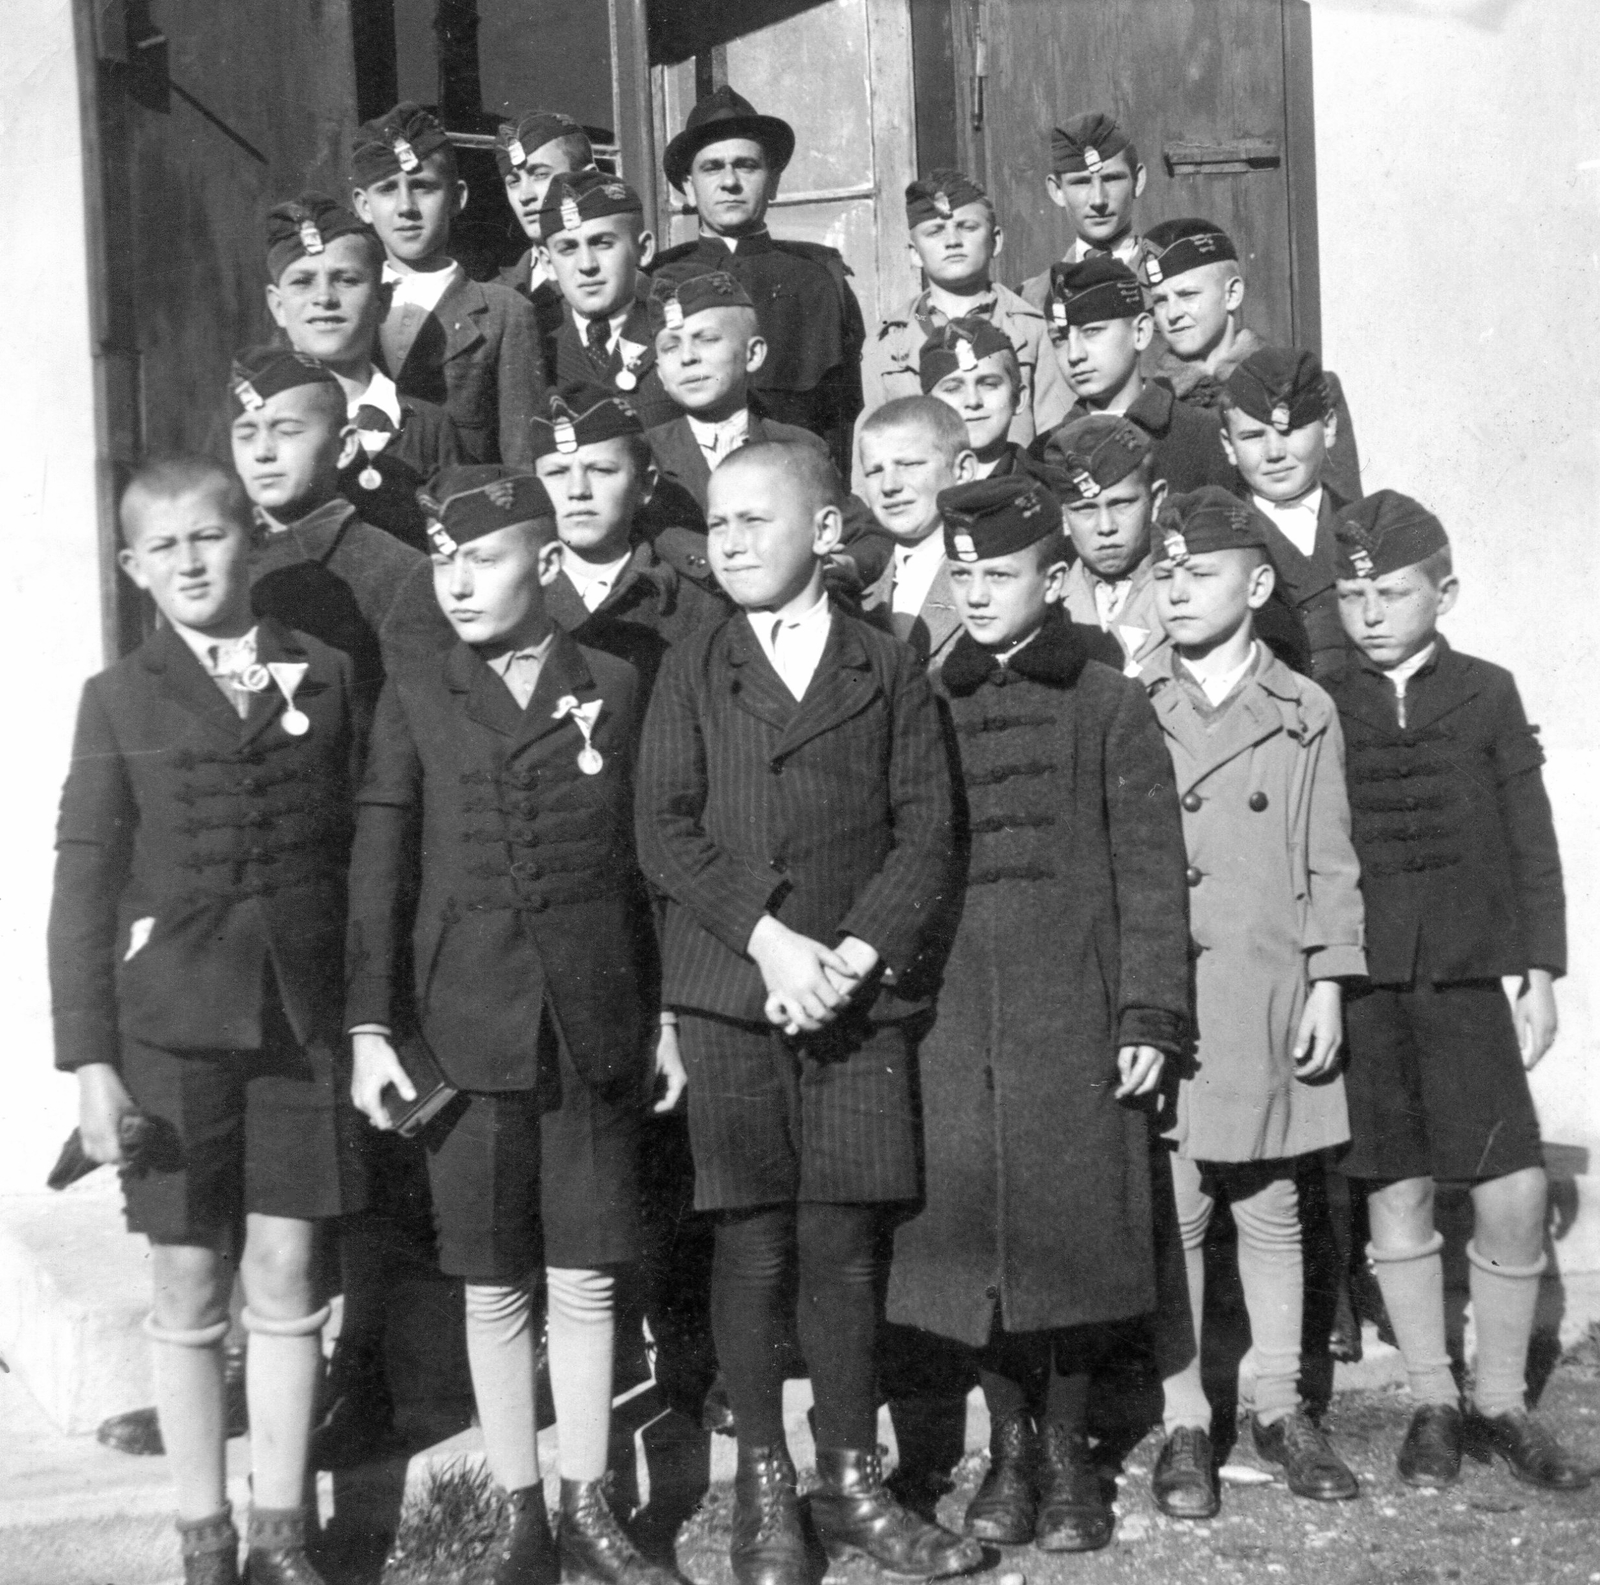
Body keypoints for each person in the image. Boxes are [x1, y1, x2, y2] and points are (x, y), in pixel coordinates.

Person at [634, 441, 980, 1585]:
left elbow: (925, 830)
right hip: (736, 991)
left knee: (841, 1241)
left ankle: (851, 1480)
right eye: (717, 524)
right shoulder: (692, 664)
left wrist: (853, 953)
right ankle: (764, 1494)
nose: (728, 541)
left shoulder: (886, 665)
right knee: (752, 1240)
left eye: (755, 520)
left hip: (854, 1000)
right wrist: (773, 940)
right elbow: (667, 830)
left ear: (827, 534)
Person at [346, 465, 684, 1585]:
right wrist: (368, 1027)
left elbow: (653, 872)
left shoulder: (618, 682)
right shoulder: (419, 690)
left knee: (587, 1275)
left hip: (594, 1023)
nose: (456, 580)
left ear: (545, 566)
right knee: (493, 1282)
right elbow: (381, 867)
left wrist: (671, 1012)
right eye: (442, 557)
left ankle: (592, 1502)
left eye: (481, 557)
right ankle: (519, 1511)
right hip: (467, 1025)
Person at [50, 456, 364, 1585]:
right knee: (187, 1278)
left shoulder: (323, 673)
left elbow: (358, 855)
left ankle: (283, 1529)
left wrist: (366, 1019)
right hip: (170, 1034)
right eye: (165, 547)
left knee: (286, 1270)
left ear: (252, 546)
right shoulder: (118, 696)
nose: (192, 561)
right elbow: (81, 885)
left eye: (211, 538)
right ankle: (203, 1534)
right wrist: (89, 1061)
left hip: (298, 1024)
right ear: (136, 568)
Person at [887, 475, 1190, 1553]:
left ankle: (1067, 1455)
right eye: (959, 572)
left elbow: (1151, 868)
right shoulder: (927, 695)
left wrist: (1147, 1010)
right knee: (978, 1243)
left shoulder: (1108, 702)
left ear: (1054, 580)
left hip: (1075, 1001)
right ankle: (1007, 1444)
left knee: (1066, 1236)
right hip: (958, 1017)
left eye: (999, 574)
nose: (974, 592)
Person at [1326, 492, 1590, 1493]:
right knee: (1394, 1182)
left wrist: (1539, 969)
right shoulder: (1319, 693)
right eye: (1352, 594)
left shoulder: (1485, 693)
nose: (1371, 612)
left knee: (1511, 1181)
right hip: (1367, 976)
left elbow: (1531, 838)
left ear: (1444, 592)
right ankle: (1431, 1396)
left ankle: (1500, 1400)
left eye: (1391, 591)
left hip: (1471, 971)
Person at [1144, 487, 1365, 1518]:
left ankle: (1278, 1405)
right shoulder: (1133, 699)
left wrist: (1328, 978)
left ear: (1259, 583)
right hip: (1170, 991)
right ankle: (1184, 1416)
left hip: (1270, 977)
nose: (1177, 588)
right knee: (1179, 1203)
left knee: (1271, 1200)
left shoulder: (1301, 708)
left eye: (1200, 572)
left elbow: (1329, 857)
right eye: (1166, 572)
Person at [652, 86, 866, 476]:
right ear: (687, 185)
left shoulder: (817, 281)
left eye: (746, 166)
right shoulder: (658, 279)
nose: (729, 181)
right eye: (712, 167)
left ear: (773, 181)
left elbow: (841, 417)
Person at [229, 345, 448, 715]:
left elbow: (406, 735)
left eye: (287, 431)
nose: (263, 452)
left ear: (345, 447)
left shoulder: (398, 574)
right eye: (246, 434)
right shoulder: (219, 566)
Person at [264, 192, 462, 553]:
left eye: (346, 280)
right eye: (303, 282)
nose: (324, 298)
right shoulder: (254, 426)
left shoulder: (425, 427)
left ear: (382, 300)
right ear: (278, 305)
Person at [349, 102, 543, 467]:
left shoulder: (503, 312)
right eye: (387, 190)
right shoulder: (345, 304)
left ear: (457, 198)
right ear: (362, 205)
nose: (406, 207)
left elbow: (523, 458)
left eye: (423, 187)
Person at [1138, 220, 1361, 501]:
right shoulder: (1151, 409)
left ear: (1232, 295)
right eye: (1160, 300)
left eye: (1187, 295)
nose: (1172, 314)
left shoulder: (1306, 389)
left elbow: (1344, 512)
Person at [859, 170, 1068, 456]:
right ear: (914, 253)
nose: (952, 241)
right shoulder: (889, 341)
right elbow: (870, 449)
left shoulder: (1031, 329)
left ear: (995, 240)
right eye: (934, 231)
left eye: (967, 227)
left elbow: (1056, 438)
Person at [1040, 257, 1237, 493]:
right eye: (1060, 339)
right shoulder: (1045, 453)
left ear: (1141, 332)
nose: (1074, 355)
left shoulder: (1203, 436)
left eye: (1091, 331)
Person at [1220, 347, 1353, 683]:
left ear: (1329, 428)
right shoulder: (1220, 542)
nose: (1274, 453)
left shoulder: (1363, 526)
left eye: (1289, 430)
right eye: (1252, 436)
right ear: (1227, 445)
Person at [537, 169, 678, 431]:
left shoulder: (677, 333)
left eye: (602, 243)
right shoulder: (540, 350)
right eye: (568, 248)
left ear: (644, 250)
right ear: (547, 262)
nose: (586, 265)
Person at [857, 397, 979, 670]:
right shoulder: (863, 597)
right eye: (875, 471)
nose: (889, 486)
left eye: (909, 465)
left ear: (962, 470)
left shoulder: (988, 578)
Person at [1018, 113, 1147, 308]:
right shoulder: (1034, 299)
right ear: (1057, 191)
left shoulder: (1175, 282)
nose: (1098, 200)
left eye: (1112, 179)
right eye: (1081, 182)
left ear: (1137, 181)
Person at [917, 318, 1052, 482]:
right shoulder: (912, 493)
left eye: (989, 384)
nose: (973, 401)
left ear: (1018, 398)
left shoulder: (1050, 488)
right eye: (952, 389)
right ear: (928, 408)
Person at [493, 109, 592, 326]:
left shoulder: (616, 279)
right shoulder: (493, 295)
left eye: (540, 175)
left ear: (587, 178)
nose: (525, 196)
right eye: (513, 182)